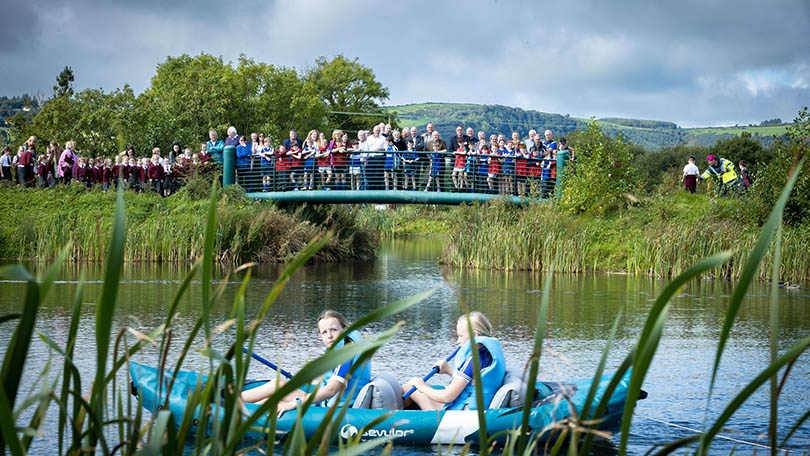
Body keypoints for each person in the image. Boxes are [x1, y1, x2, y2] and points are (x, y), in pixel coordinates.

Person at [241, 310, 372, 414]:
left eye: (334, 330)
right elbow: (332, 380)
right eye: (324, 332)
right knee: (271, 397)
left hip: (332, 409)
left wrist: (294, 403)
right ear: (320, 336)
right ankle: (236, 410)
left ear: (344, 329)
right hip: (332, 402)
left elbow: (331, 390)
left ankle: (229, 404)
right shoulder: (350, 344)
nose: (329, 336)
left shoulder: (344, 353)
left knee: (277, 385)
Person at [402, 312, 506, 410]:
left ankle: (395, 419)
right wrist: (448, 371)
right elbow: (473, 382)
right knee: (412, 387)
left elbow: (447, 397)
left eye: (460, 336)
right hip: (475, 406)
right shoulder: (487, 354)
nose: (458, 341)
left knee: (409, 386)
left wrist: (420, 385)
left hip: (463, 411)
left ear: (474, 335)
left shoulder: (473, 361)